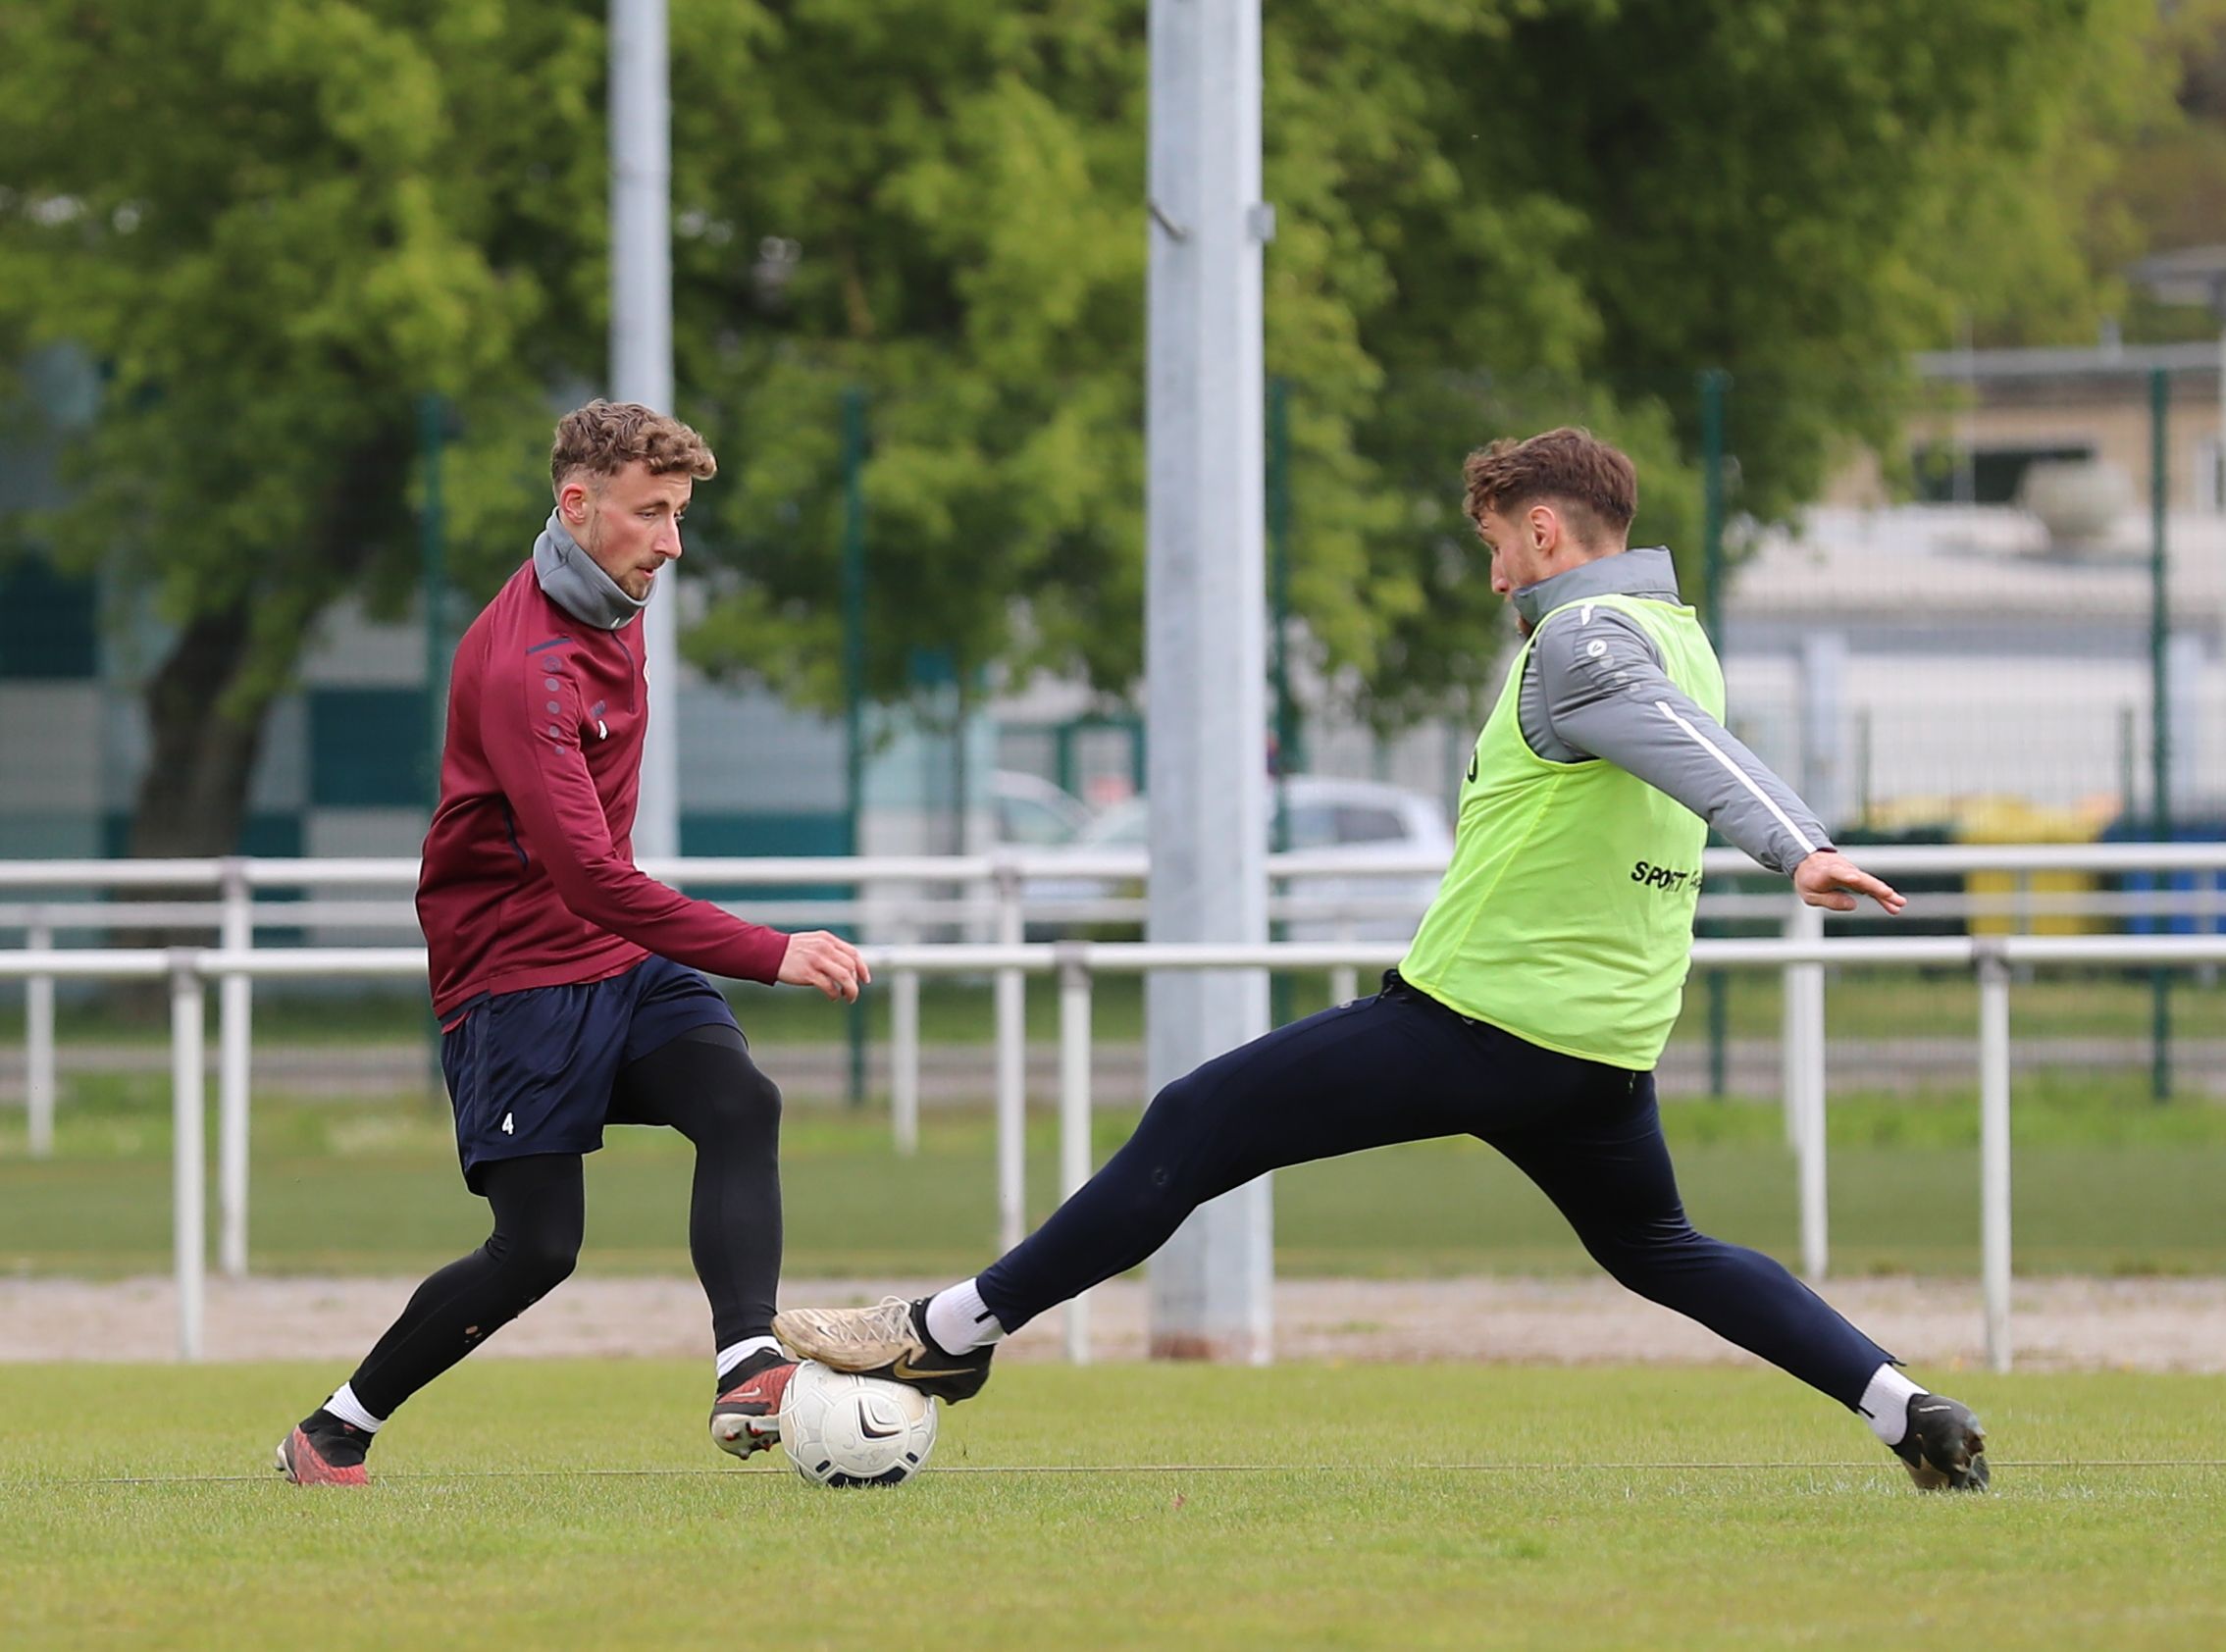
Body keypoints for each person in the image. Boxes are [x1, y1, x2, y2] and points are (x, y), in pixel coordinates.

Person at [775, 427, 1990, 1492]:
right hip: (1594, 1048)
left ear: (1548, 528)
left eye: (1497, 543)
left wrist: (1798, 849)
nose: (1495, 570)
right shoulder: (1680, 635)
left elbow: (1677, 745)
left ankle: (948, 1329)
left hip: (1477, 1026)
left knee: (1193, 1119)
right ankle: (1904, 1408)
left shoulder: (1584, 640)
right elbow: (1684, 734)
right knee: (1660, 1247)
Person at [278, 401, 866, 1486]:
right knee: (538, 1249)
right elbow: (589, 877)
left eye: (680, 514)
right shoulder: (527, 669)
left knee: (741, 1101)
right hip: (516, 978)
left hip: (617, 958)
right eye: (652, 514)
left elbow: (606, 892)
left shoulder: (612, 590)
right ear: (576, 505)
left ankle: (747, 1358)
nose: (672, 542)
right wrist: (766, 950)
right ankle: (333, 1429)